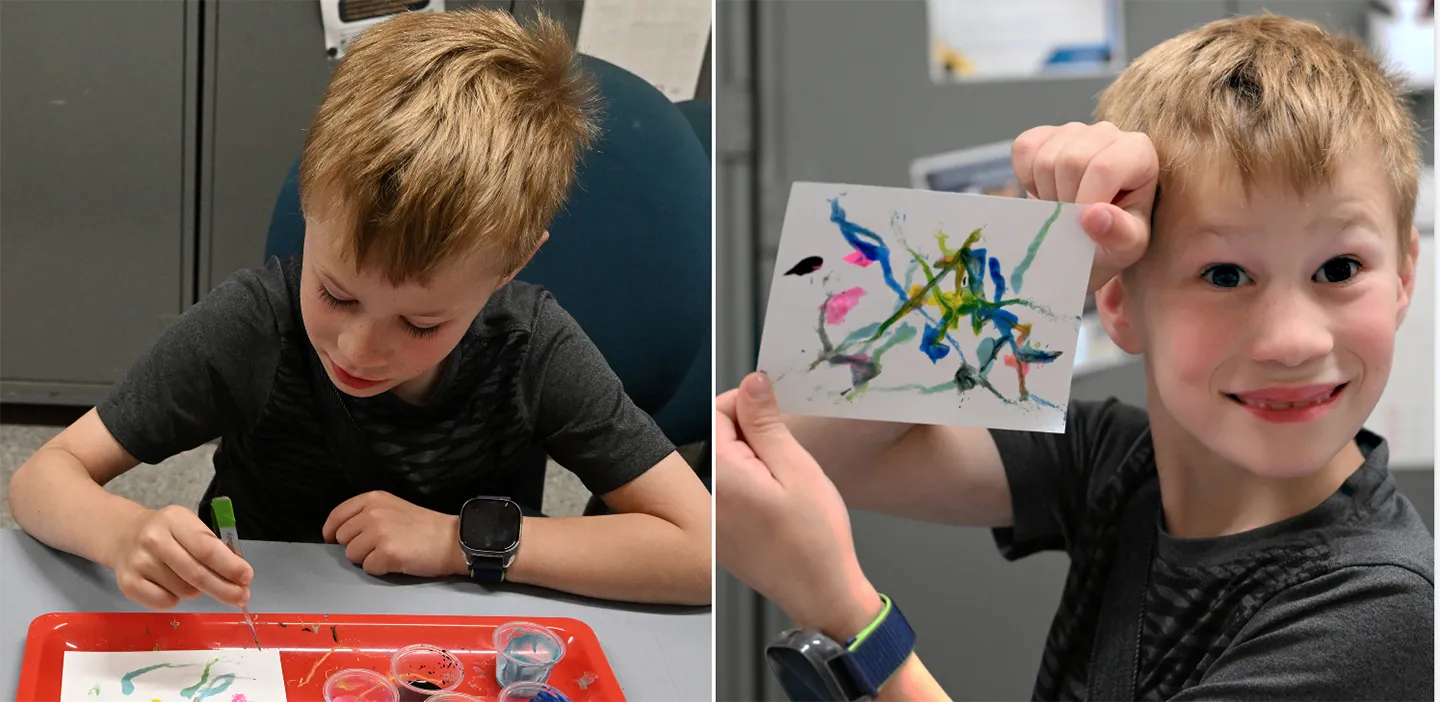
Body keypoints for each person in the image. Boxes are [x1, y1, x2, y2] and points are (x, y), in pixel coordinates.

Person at [718, 14, 1431, 700]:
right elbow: (798, 441)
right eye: (1224, 275)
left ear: (1403, 277)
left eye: (1338, 270)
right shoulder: (1122, 462)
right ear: (1116, 303)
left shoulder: (1383, 612)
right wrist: (1034, 258)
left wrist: (850, 621)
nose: (1294, 341)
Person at [9, 9, 710, 611]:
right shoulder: (253, 324)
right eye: (336, 293)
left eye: (420, 323)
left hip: (454, 632)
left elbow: (703, 550)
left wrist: (455, 542)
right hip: (260, 621)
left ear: (513, 263)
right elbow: (43, 479)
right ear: (309, 203)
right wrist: (121, 532)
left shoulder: (533, 349)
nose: (357, 348)